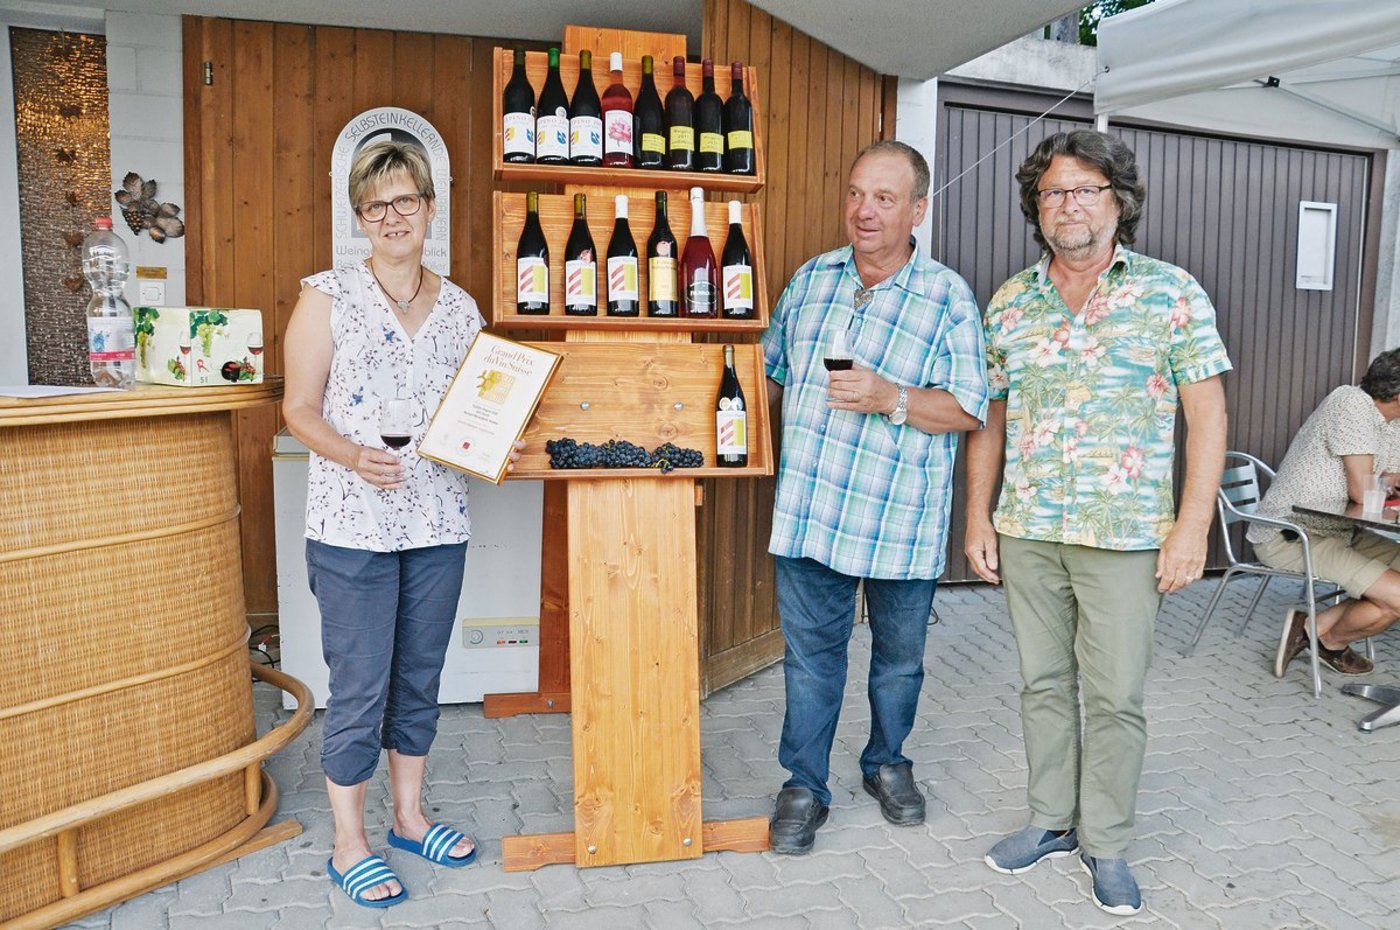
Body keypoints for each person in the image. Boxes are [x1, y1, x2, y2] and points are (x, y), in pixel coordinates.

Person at [963, 130, 1230, 915]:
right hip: (1031, 527)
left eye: (1085, 189)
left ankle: (1106, 842)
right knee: (1043, 683)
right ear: (1035, 206)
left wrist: (1191, 527)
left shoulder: (1170, 293)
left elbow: (1206, 418)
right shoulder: (1011, 301)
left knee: (1114, 696)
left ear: (1119, 202)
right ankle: (1051, 821)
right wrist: (979, 515)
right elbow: (989, 419)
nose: (1068, 204)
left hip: (1125, 535)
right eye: (1052, 191)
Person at [284, 140, 516, 908]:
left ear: (428, 209)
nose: (391, 217)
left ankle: (409, 819)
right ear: (359, 217)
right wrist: (354, 455)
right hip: (353, 525)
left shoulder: (460, 309)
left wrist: (499, 434)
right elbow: (297, 411)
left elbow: (479, 407)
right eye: (375, 206)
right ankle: (349, 842)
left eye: (404, 201)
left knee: (418, 678)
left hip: (438, 518)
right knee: (359, 686)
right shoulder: (326, 296)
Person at [762, 139, 989, 855]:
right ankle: (804, 784)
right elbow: (768, 371)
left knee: (898, 663)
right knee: (810, 661)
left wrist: (890, 396)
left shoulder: (947, 296)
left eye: (884, 198)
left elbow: (970, 409)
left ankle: (887, 763)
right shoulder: (810, 280)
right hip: (811, 509)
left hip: (899, 519)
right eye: (857, 193)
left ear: (918, 209)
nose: (865, 211)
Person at [1251, 349, 1400, 679]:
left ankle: (1309, 626)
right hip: (1292, 533)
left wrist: (1386, 481)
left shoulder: (1392, 424)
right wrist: (1384, 482)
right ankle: (1327, 638)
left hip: (1341, 530)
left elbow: (1391, 479)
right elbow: (1365, 491)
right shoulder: (1351, 403)